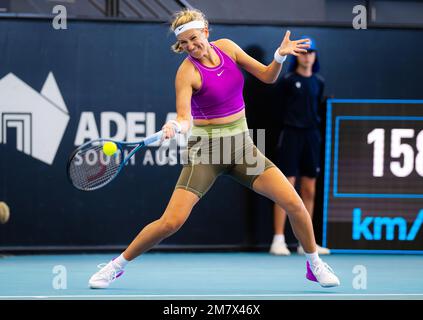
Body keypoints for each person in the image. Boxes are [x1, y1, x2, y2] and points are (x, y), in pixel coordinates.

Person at [88, 9, 340, 289]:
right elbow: (185, 119)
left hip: (243, 148)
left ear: (206, 32)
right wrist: (175, 126)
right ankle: (115, 266)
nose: (191, 47)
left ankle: (315, 265)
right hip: (207, 152)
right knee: (171, 222)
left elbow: (268, 77)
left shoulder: (229, 48)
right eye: (184, 44)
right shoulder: (186, 73)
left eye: (194, 39)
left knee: (294, 203)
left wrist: (279, 57)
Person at [269, 37, 330, 256]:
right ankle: (278, 239)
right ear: (298, 56)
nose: (307, 56)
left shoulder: (318, 81)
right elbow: (277, 111)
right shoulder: (287, 81)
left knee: (309, 190)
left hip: (311, 137)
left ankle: (306, 243)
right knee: (286, 189)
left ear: (315, 56)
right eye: (304, 53)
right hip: (291, 136)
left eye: (311, 52)